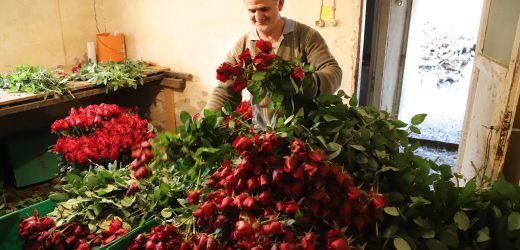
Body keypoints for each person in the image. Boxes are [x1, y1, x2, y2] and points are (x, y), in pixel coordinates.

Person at [205, 0, 342, 128]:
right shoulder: (242, 46)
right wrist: (205, 123)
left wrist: (306, 83)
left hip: (306, 132)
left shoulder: (306, 36)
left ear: (280, 3)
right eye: (252, 11)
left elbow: (332, 71)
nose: (258, 17)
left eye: (264, 9)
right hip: (263, 136)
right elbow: (225, 91)